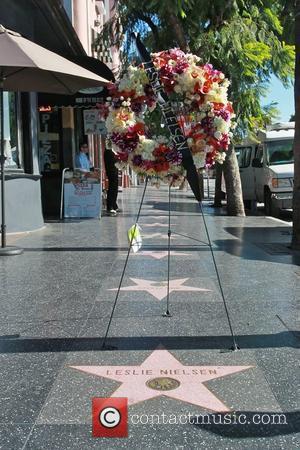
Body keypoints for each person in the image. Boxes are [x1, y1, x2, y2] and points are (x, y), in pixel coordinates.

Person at [104, 146, 119, 216]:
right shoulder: (108, 152)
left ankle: (114, 204)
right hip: (111, 172)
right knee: (112, 188)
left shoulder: (113, 151)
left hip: (115, 172)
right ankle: (110, 206)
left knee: (115, 188)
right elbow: (111, 162)